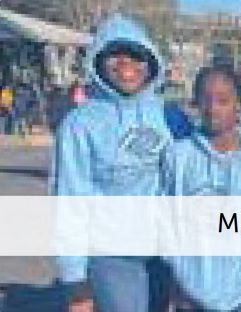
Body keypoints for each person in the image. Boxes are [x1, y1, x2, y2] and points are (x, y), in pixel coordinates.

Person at [51, 14, 181, 312]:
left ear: (151, 61)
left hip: (164, 253)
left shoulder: (169, 116)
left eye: (136, 55)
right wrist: (74, 278)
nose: (126, 65)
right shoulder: (80, 124)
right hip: (111, 255)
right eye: (115, 55)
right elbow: (70, 199)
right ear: (98, 61)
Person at [162, 65, 241, 311]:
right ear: (195, 103)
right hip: (189, 293)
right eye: (205, 100)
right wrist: (180, 272)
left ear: (239, 105)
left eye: (223, 101)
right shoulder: (179, 156)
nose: (213, 108)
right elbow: (165, 218)